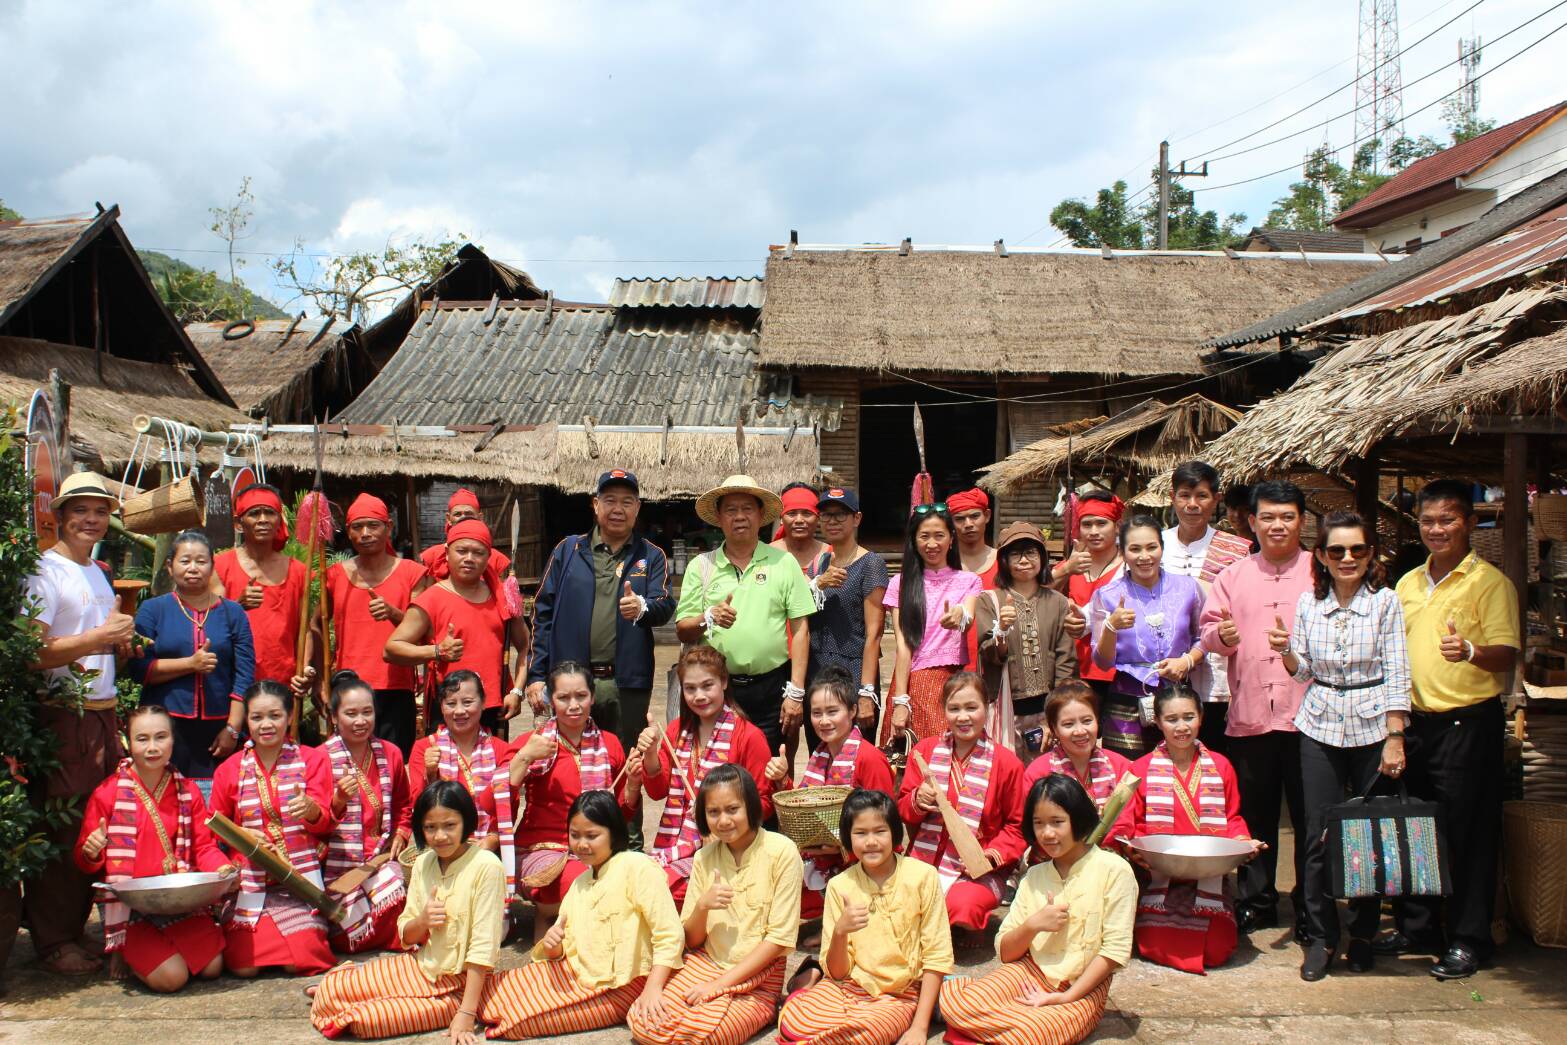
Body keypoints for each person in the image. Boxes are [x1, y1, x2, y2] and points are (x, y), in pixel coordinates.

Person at [1385, 480, 1518, 980]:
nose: (1436, 529)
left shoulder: (1490, 583)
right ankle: (1419, 928)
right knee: (1417, 830)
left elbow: (1507, 655)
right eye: (1428, 521)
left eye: (1447, 519)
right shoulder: (1408, 583)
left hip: (1467, 723)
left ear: (1469, 522)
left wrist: (1470, 652)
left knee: (1469, 835)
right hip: (1416, 723)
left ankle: (1469, 938)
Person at [1273, 511, 1410, 981]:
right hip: (1321, 725)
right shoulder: (1309, 605)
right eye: (1337, 551)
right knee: (1317, 835)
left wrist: (1395, 736)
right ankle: (1322, 935)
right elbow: (1304, 672)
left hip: (1374, 728)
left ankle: (1364, 934)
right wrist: (1286, 652)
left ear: (1370, 555)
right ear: (1322, 557)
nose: (1347, 558)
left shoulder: (1386, 603)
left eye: (1357, 550)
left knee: (1370, 836)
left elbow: (1398, 671)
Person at [22, 471, 134, 974]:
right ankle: (52, 940)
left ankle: (73, 929)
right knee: (63, 825)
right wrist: (98, 639)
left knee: (97, 824)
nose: (91, 519)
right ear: (60, 516)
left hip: (101, 714)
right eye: (80, 510)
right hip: (64, 714)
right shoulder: (45, 572)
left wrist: (116, 643)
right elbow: (28, 652)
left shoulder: (95, 571)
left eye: (100, 511)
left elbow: (95, 641)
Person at [525, 469, 675, 833]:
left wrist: (642, 609)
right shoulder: (568, 550)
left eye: (627, 502)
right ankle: (567, 838)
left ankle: (628, 840)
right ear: (595, 506)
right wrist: (535, 674)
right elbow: (542, 613)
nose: (618, 509)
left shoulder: (650, 555)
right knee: (567, 762)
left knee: (627, 763)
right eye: (610, 500)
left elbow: (664, 604)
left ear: (638, 509)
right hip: (573, 683)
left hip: (626, 682)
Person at [939, 774, 1137, 1045]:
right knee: (956, 1006)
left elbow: (1114, 951)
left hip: (1081, 989)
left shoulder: (1115, 870)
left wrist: (1065, 997)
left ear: (1078, 820)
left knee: (1037, 1035)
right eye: (1039, 824)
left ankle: (998, 1021)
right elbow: (1007, 954)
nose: (1047, 834)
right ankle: (995, 1014)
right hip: (1028, 972)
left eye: (1057, 822)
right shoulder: (1034, 876)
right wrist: (1034, 924)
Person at [1200, 478, 1313, 938]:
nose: (1277, 525)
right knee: (1256, 815)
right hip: (1249, 712)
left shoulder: (1319, 571)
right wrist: (1219, 638)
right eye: (1268, 516)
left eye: (1287, 516)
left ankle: (1311, 906)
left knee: (1311, 817)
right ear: (1252, 521)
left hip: (1310, 716)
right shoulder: (1232, 575)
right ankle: (1258, 899)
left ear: (1302, 521)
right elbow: (1207, 631)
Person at [310, 781, 505, 1043]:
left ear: (467, 822)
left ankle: (454, 1005)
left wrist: (467, 1013)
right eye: (430, 828)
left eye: (450, 825)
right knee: (331, 990)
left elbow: (483, 947)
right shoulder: (424, 861)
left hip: (462, 985)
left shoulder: (487, 866)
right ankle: (343, 989)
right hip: (421, 966)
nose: (440, 836)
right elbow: (406, 934)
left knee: (364, 1021)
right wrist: (423, 921)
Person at [482, 790, 683, 1039]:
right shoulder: (580, 883)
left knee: (514, 1019)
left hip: (626, 984)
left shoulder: (637, 866)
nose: (582, 844)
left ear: (614, 833)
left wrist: (653, 988)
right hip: (578, 974)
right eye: (575, 835)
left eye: (592, 835)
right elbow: (562, 950)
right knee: (496, 990)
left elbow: (669, 934)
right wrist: (553, 945)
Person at [626, 765, 803, 1045]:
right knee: (642, 1019)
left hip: (759, 976)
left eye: (732, 809)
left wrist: (719, 986)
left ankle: (764, 1009)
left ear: (751, 807)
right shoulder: (704, 857)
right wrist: (702, 907)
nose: (723, 821)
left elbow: (779, 940)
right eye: (713, 812)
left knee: (703, 1034)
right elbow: (693, 940)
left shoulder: (782, 851)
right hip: (705, 963)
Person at [74, 705, 236, 992]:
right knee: (173, 979)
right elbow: (86, 862)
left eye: (160, 737)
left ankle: (154, 948)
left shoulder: (188, 790)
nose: (152, 747)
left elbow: (203, 846)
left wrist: (222, 869)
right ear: (128, 742)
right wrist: (92, 849)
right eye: (142, 739)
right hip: (132, 907)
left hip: (178, 902)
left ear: (173, 740)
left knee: (212, 968)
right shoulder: (108, 793)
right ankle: (125, 946)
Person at [776, 789, 952, 1045]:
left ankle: (828, 1021)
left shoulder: (923, 876)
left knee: (867, 1035)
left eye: (880, 831)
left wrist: (919, 1028)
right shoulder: (840, 885)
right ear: (847, 838)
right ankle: (815, 983)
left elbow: (938, 954)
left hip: (898, 994)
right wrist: (840, 931)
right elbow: (837, 974)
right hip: (847, 987)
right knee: (793, 1022)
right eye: (860, 833)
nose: (870, 841)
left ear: (894, 833)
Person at [1109, 689, 1260, 975]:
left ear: (1201, 718)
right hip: (1159, 875)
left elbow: (1233, 817)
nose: (1181, 727)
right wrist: (1133, 847)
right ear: (1158, 721)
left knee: (1217, 950)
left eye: (1189, 717)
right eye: (1172, 719)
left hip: (1208, 875)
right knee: (1153, 943)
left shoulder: (1221, 765)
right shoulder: (1140, 768)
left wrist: (1243, 841)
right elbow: (1126, 824)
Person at [674, 474, 815, 751]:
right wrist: (709, 617)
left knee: (770, 770)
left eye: (747, 509)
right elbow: (682, 627)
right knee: (717, 770)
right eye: (731, 510)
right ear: (719, 516)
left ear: (761, 514)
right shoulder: (702, 565)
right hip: (716, 689)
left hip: (772, 688)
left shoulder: (783, 563)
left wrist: (796, 692)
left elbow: (801, 630)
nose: (740, 516)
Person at [209, 681, 335, 976]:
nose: (266, 725)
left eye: (275, 716)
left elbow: (327, 823)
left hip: (300, 884)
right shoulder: (229, 769)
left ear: (290, 717)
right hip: (250, 884)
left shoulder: (312, 759)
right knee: (244, 967)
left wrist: (313, 811)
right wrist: (242, 837)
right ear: (247, 721)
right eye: (257, 717)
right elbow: (213, 829)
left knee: (301, 961)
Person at [507, 662, 638, 941]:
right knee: (590, 882)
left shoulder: (610, 744)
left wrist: (635, 784)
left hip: (596, 849)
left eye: (581, 696)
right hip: (541, 851)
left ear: (593, 696)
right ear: (550, 701)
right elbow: (498, 809)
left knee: (638, 877)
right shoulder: (532, 742)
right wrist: (524, 758)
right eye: (563, 698)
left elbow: (620, 816)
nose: (573, 705)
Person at [635, 646, 774, 904]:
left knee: (658, 893)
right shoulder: (676, 730)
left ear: (724, 682)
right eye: (690, 688)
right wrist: (652, 753)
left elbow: (763, 804)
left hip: (724, 847)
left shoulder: (749, 736)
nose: (699, 696)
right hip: (673, 848)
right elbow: (657, 792)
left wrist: (721, 821)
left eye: (707, 685)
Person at [897, 672, 1025, 932]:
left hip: (977, 870)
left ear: (986, 708)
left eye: (971, 707)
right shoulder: (924, 752)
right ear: (943, 711)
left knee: (963, 906)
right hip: (926, 860)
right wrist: (917, 800)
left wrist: (989, 856)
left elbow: (1017, 826)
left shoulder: (1007, 763)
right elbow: (903, 810)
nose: (963, 717)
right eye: (954, 708)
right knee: (899, 897)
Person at [764, 666, 896, 917]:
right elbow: (807, 807)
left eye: (832, 712)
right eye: (816, 713)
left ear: (853, 711)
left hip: (862, 858)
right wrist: (782, 779)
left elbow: (887, 825)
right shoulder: (820, 754)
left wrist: (842, 846)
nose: (824, 721)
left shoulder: (869, 758)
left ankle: (840, 922)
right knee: (771, 894)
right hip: (824, 857)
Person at [129, 531, 253, 781]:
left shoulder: (233, 613)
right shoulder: (153, 610)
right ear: (170, 566)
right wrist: (190, 664)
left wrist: (233, 728)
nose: (193, 568)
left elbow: (244, 674)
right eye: (185, 561)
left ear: (212, 566)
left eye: (201, 561)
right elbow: (139, 670)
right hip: (164, 728)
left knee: (214, 803)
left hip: (219, 728)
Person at [387, 518, 529, 730]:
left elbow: (526, 647)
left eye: (478, 553)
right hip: (450, 709)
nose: (469, 558)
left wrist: (517, 691)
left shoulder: (503, 597)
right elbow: (392, 649)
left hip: (494, 708)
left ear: (488, 556)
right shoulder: (431, 599)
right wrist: (436, 651)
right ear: (447, 552)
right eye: (462, 551)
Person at [1089, 516, 1207, 759]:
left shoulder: (1188, 588)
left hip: (1178, 700)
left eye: (1151, 547)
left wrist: (1186, 662)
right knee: (1127, 778)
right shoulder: (1107, 595)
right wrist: (1111, 627)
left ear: (1162, 548)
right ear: (1122, 552)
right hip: (1126, 702)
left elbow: (1203, 637)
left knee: (1178, 774)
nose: (1144, 556)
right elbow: (1102, 661)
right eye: (1135, 549)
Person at [324, 493, 429, 756]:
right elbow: (317, 625)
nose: (366, 533)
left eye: (373, 525)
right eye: (358, 527)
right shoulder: (334, 575)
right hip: (348, 685)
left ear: (389, 527)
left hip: (395, 685)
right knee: (349, 764)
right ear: (348, 532)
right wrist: (320, 680)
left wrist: (394, 613)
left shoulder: (411, 573)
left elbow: (424, 631)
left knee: (396, 762)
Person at [1161, 461, 1252, 752]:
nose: (1192, 504)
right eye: (1184, 495)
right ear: (1172, 497)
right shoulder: (1156, 545)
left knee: (1215, 757)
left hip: (1217, 678)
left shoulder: (1237, 549)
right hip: (1165, 672)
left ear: (1216, 499)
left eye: (1201, 495)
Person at [321, 671, 411, 954]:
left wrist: (401, 831)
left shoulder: (391, 753)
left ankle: (383, 932)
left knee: (399, 891)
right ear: (334, 717)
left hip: (381, 858)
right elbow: (315, 821)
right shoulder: (320, 757)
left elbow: (403, 803)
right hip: (338, 865)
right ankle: (384, 934)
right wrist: (337, 801)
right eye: (351, 713)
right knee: (340, 931)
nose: (360, 721)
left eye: (367, 712)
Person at [406, 671, 517, 894]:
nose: (459, 711)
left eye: (467, 702)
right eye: (451, 703)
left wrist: (492, 840)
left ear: (483, 703)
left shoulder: (501, 750)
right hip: (439, 845)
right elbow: (417, 809)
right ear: (441, 707)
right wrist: (431, 775)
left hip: (485, 846)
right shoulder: (424, 748)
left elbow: (508, 806)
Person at [978, 521, 1078, 760]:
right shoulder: (989, 600)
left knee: (1044, 775)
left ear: (1042, 558)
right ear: (1004, 561)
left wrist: (1055, 713)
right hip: (1005, 709)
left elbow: (1066, 658)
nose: (1024, 560)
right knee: (1006, 775)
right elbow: (988, 654)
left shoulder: (1058, 602)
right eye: (1015, 554)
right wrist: (1001, 629)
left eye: (1031, 552)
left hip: (1046, 710)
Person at [883, 504, 981, 743]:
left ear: (951, 539)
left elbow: (967, 616)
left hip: (949, 683)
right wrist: (901, 700)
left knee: (946, 756)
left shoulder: (969, 581)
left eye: (939, 535)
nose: (932, 544)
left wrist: (959, 616)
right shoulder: (901, 583)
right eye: (924, 536)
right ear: (914, 540)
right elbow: (903, 644)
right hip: (910, 681)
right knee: (905, 764)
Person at [211, 483, 310, 697]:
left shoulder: (299, 571)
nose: (263, 519)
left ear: (279, 521)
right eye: (254, 513)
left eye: (270, 513)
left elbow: (307, 628)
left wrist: (305, 669)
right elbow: (207, 625)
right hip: (233, 681)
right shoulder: (219, 566)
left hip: (283, 683)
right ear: (239, 523)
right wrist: (237, 606)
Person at [807, 487, 890, 742]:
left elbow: (874, 633)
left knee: (855, 757)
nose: (832, 521)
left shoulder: (871, 563)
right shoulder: (818, 564)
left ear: (857, 519)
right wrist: (817, 584)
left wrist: (866, 692)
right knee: (819, 755)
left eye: (841, 515)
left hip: (853, 670)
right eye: (826, 515)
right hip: (818, 670)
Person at [1023, 681, 1133, 818]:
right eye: (1068, 724)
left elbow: (1126, 822)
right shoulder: (1038, 772)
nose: (1080, 731)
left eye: (1087, 721)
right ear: (1054, 729)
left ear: (1097, 720)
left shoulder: (1121, 767)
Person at [1051, 489, 1123, 698]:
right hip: (1070, 669)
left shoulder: (1128, 569)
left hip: (1115, 671)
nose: (1093, 531)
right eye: (1086, 524)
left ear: (1117, 527)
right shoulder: (1070, 566)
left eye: (1101, 523)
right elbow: (1033, 593)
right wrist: (1065, 570)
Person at [949, 488, 999, 672]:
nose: (968, 524)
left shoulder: (1004, 562)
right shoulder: (943, 566)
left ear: (987, 515)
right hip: (952, 663)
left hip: (995, 659)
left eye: (974, 516)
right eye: (959, 519)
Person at [420, 487, 511, 581]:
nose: (463, 518)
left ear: (480, 517)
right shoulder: (430, 557)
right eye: (457, 514)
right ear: (448, 518)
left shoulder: (496, 559)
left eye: (468, 514)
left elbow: (501, 592)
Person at [772, 482, 828, 572]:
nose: (799, 520)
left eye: (807, 513)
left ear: (818, 517)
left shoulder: (830, 555)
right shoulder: (766, 555)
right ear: (781, 518)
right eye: (791, 513)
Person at [1223, 483, 1258, 551]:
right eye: (1233, 508)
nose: (1237, 515)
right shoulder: (1224, 544)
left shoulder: (1263, 545)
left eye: (1245, 509)